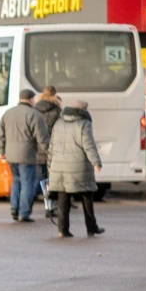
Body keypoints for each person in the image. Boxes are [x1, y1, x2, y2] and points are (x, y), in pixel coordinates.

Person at [48, 100, 105, 238]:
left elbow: (52, 147)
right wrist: (96, 162)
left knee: (63, 198)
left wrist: (50, 165)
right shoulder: (84, 124)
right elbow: (89, 145)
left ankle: (63, 230)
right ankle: (91, 227)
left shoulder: (58, 123)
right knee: (87, 195)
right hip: (78, 167)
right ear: (83, 111)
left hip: (59, 166)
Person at [0, 89, 49, 223]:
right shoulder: (34, 114)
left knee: (16, 180)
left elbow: (0, 134)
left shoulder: (8, 113)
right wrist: (48, 151)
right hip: (27, 154)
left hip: (10, 154)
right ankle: (24, 213)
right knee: (27, 183)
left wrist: (2, 151)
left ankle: (14, 208)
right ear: (31, 100)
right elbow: (41, 137)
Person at [34, 86, 62, 213]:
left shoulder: (35, 110)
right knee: (52, 178)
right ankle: (50, 206)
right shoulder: (57, 109)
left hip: (37, 148)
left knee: (41, 178)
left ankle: (42, 201)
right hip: (52, 147)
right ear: (54, 95)